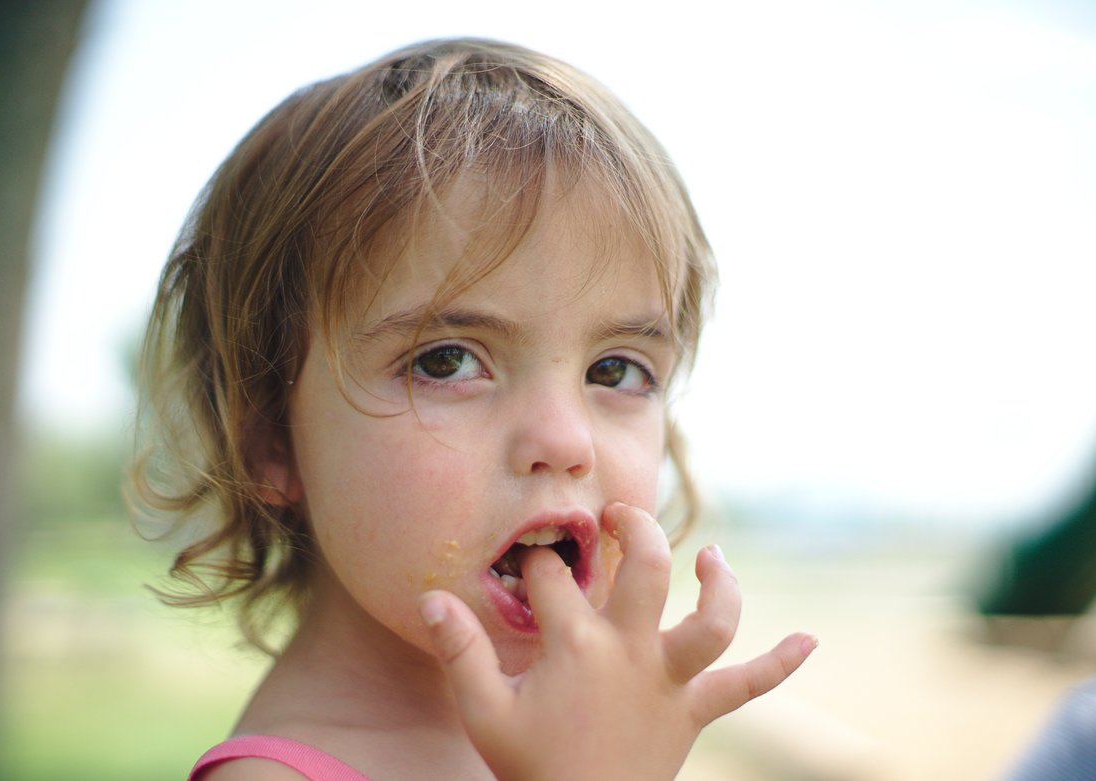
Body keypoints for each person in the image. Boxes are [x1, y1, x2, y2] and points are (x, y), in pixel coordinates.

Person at [132, 37, 816, 781]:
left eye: (614, 368)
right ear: (268, 436)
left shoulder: (562, 736)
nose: (563, 438)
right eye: (446, 360)